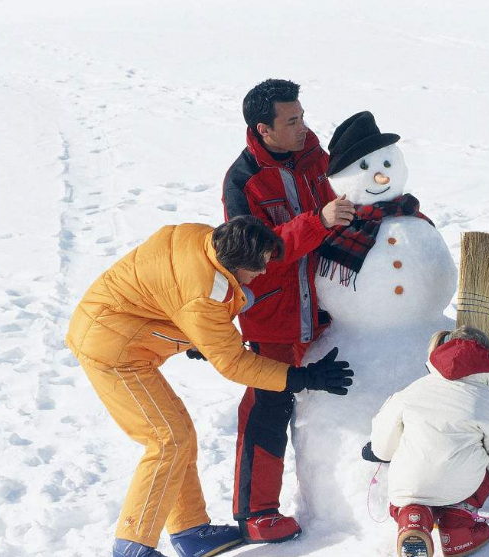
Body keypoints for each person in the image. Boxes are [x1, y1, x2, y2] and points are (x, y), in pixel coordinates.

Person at [65, 216, 354, 557]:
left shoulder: (203, 238)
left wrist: (192, 335)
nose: (261, 274)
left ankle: (190, 531)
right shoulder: (206, 297)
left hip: (117, 325)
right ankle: (132, 545)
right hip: (113, 349)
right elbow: (234, 364)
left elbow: (162, 284)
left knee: (178, 434)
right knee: (167, 439)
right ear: (234, 264)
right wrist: (304, 378)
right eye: (257, 268)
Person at [220, 78, 355, 543]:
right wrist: (317, 223)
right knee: (268, 407)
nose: (303, 126)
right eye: (291, 120)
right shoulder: (243, 182)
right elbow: (257, 255)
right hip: (274, 316)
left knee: (333, 399)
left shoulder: (317, 158)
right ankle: (256, 513)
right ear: (264, 129)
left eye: (302, 116)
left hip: (328, 309)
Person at [364, 326, 489, 557]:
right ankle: (457, 530)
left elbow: (385, 429)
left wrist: (378, 451)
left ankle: (412, 518)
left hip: (409, 484)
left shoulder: (413, 390)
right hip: (461, 486)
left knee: (410, 457)